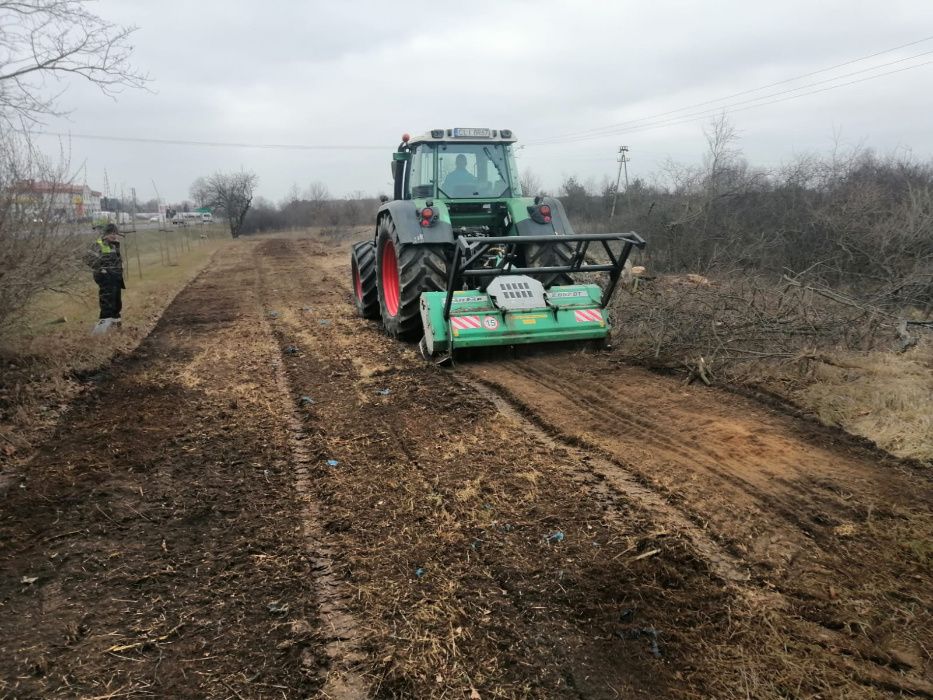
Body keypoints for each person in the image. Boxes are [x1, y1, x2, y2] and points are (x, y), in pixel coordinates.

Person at [89, 223, 126, 329]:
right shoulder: (98, 244)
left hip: (116, 278)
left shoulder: (114, 244)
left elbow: (117, 259)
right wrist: (101, 269)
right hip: (105, 279)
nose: (114, 236)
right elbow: (88, 258)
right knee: (107, 303)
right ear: (105, 234)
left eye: (115, 233)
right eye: (111, 233)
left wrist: (121, 267)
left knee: (116, 303)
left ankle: (116, 326)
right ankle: (101, 330)